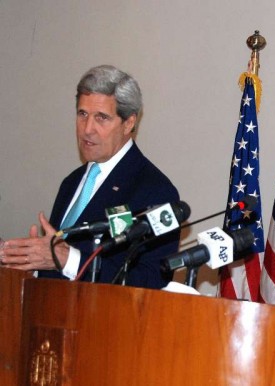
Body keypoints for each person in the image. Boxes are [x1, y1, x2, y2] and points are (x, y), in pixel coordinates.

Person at [0, 65, 180, 289]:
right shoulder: (72, 182)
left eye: (101, 118)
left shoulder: (156, 191)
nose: (87, 129)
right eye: (82, 114)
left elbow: (152, 282)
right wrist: (28, 261)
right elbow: (57, 264)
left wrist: (70, 260)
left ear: (129, 123)